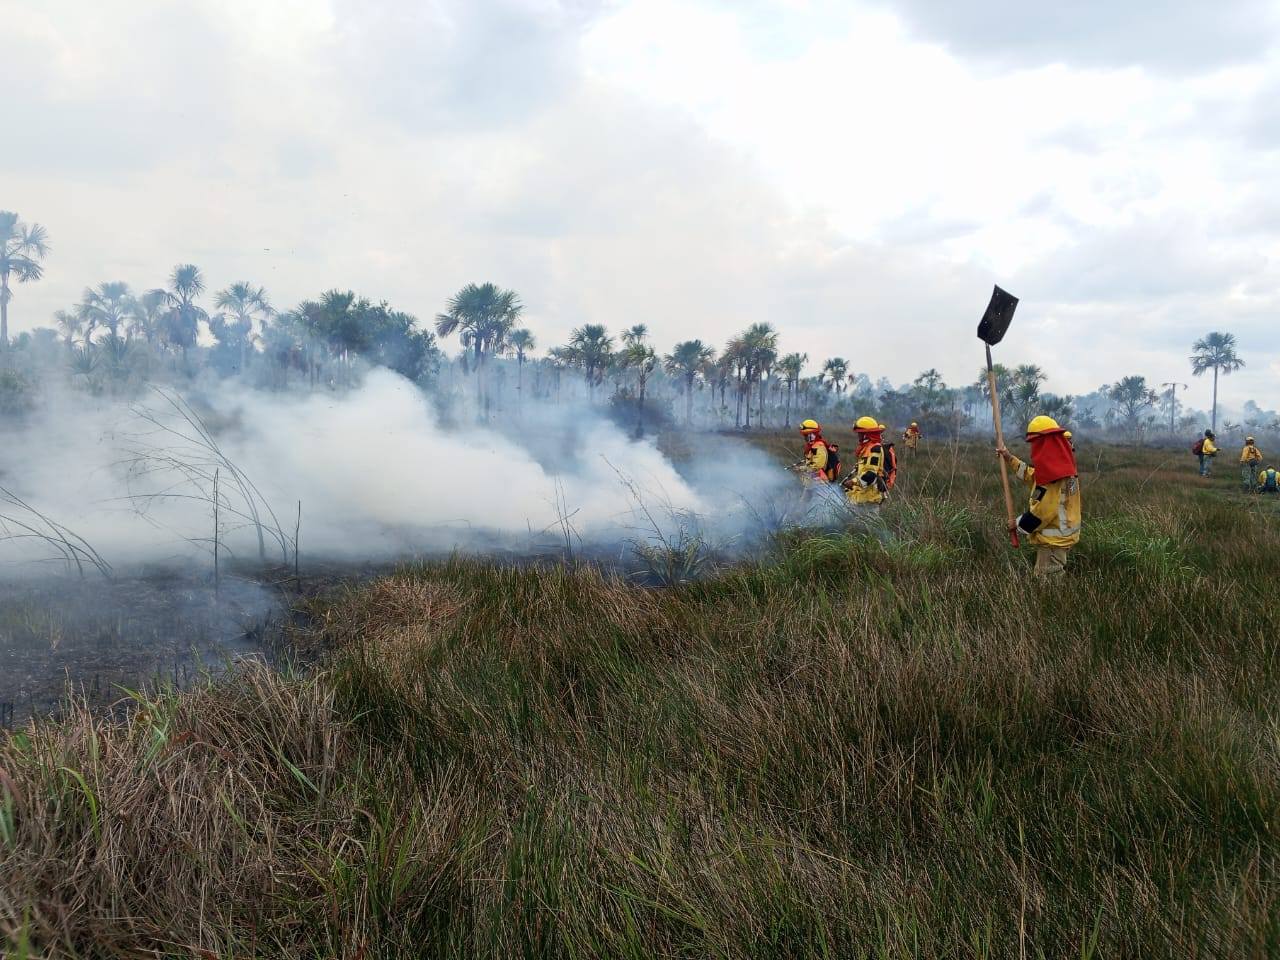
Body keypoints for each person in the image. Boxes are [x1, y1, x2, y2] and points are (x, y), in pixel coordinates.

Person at [996, 414, 1081, 576]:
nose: (1033, 448)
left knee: (1047, 583)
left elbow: (1042, 512)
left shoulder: (1053, 477)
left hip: (1052, 543)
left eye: (1035, 443)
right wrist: (1009, 458)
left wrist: (1018, 524)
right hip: (1060, 539)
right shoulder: (1060, 468)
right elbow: (1032, 476)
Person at [843, 416, 893, 510]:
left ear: (867, 434)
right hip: (862, 497)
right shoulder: (867, 448)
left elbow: (870, 475)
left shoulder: (875, 449)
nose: (858, 436)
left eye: (860, 434)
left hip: (869, 500)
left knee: (869, 525)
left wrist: (853, 482)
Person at [795, 418, 837, 484]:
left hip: (819, 483)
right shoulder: (812, 446)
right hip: (812, 482)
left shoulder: (819, 446)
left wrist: (802, 468)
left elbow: (817, 466)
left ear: (812, 435)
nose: (804, 437)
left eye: (806, 435)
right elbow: (811, 463)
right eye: (804, 435)